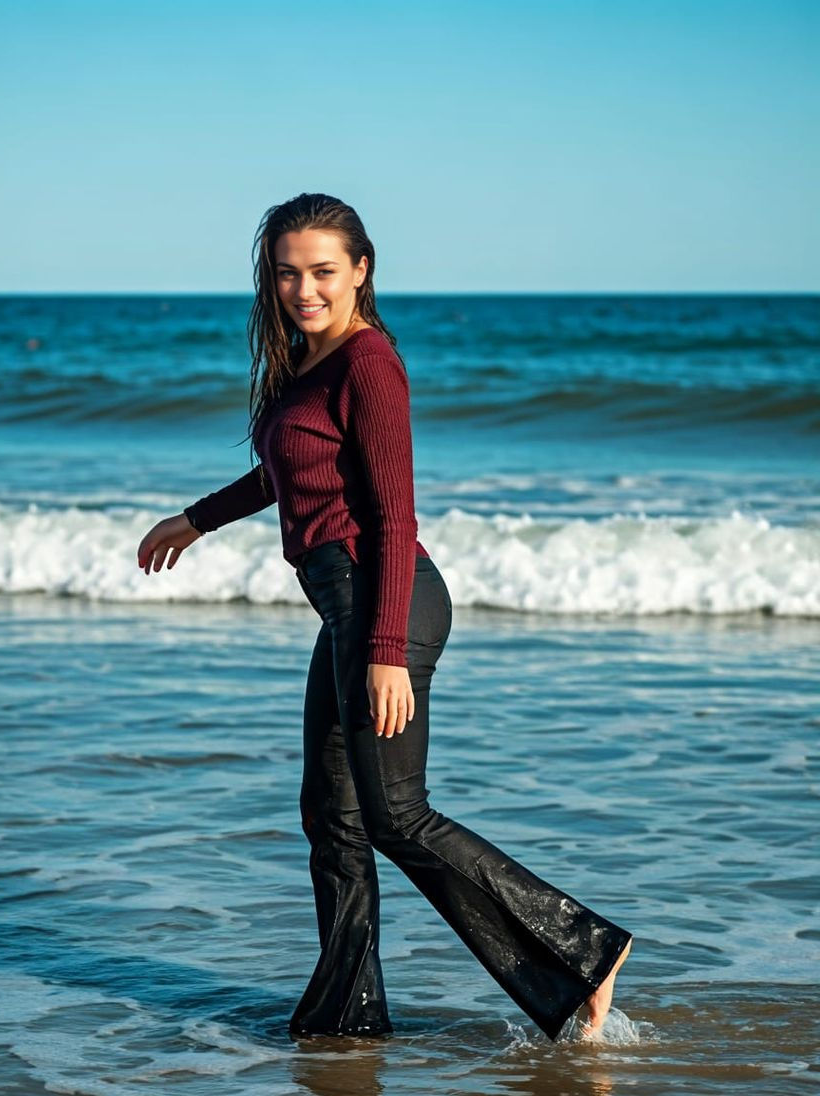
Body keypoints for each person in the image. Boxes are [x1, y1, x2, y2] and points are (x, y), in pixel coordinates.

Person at [136, 192, 633, 1043]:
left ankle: (583, 948)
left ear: (361, 270)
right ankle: (347, 1015)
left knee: (396, 815)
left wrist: (386, 649)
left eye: (323, 271)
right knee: (330, 815)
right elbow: (287, 473)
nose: (304, 289)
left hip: (384, 599)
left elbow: (396, 513)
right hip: (347, 605)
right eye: (287, 273)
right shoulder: (308, 366)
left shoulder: (369, 362)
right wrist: (196, 519)